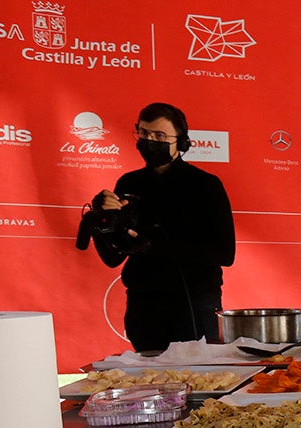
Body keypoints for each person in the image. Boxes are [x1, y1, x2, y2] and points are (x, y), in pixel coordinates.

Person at [76, 102, 235, 352]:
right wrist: (102, 223)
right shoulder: (129, 182)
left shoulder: (205, 185)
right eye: (144, 133)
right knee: (149, 381)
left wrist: (154, 247)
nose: (149, 140)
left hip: (194, 305)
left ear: (180, 141)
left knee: (201, 380)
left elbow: (224, 254)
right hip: (143, 305)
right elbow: (113, 258)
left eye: (159, 135)